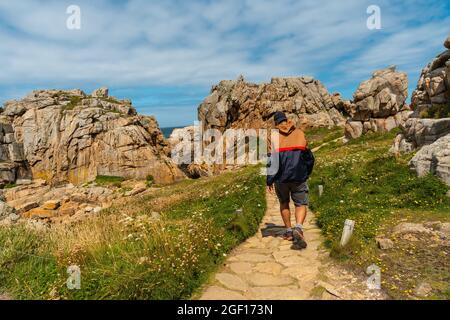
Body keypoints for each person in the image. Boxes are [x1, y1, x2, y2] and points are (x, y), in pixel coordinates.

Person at [266, 112, 315, 249]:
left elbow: (272, 160)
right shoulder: (299, 132)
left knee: (284, 203)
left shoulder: (273, 136)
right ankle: (298, 228)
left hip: (281, 178)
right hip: (299, 176)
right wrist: (307, 172)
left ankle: (288, 231)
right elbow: (309, 156)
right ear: (287, 121)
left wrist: (269, 180)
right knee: (300, 203)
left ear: (276, 123)